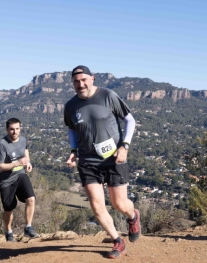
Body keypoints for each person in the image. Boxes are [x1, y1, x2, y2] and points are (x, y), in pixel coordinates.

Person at [64, 65, 140, 259]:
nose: (80, 84)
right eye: (76, 81)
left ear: (92, 79)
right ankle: (117, 240)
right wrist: (73, 151)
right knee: (97, 206)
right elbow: (72, 129)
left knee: (119, 204)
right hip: (88, 161)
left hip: (114, 158)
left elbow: (130, 121)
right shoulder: (70, 106)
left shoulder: (108, 96)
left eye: (84, 80)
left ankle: (133, 216)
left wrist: (125, 146)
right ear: (72, 83)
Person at [0, 118, 39, 242]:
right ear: (7, 130)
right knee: (8, 209)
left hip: (20, 175)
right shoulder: (2, 144)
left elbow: (25, 150)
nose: (15, 132)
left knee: (31, 198)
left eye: (17, 129)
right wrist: (17, 163)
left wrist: (28, 162)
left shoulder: (23, 140)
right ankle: (8, 232)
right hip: (6, 181)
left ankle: (28, 228)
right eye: (12, 129)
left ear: (20, 128)